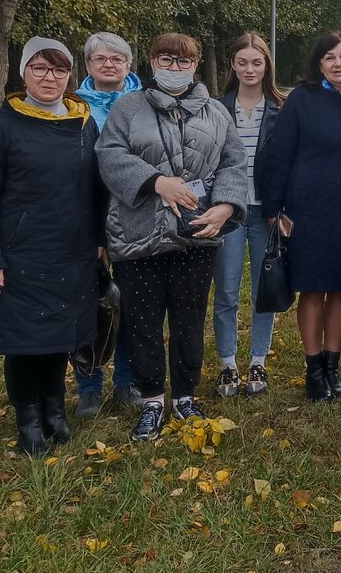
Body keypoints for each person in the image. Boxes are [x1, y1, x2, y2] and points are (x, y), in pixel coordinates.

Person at [96, 33, 248, 442]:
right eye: (167, 59)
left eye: (184, 62)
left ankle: (184, 396)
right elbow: (109, 156)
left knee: (189, 319)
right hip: (138, 234)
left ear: (196, 65)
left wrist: (227, 206)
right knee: (143, 321)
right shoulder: (128, 108)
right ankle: (151, 401)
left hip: (196, 237)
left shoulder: (216, 112)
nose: (175, 68)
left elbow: (234, 163)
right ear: (151, 61)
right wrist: (157, 181)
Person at [0, 38, 104, 456]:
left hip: (74, 251)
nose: (50, 78)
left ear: (69, 76)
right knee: (26, 340)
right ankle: (28, 419)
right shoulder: (1, 127)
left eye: (59, 70)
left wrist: (99, 238)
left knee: (61, 335)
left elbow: (97, 191)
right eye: (40, 69)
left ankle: (54, 410)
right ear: (23, 73)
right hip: (21, 252)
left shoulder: (84, 124)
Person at [263, 31, 341, 402]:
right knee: (314, 289)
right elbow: (279, 155)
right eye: (329, 57)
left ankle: (333, 366)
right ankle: (313, 369)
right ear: (320, 65)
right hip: (309, 209)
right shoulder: (302, 100)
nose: (338, 63)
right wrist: (273, 210)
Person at [71, 31, 143, 417]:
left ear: (129, 64)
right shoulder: (72, 109)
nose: (109, 64)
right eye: (100, 59)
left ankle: (127, 381)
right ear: (88, 66)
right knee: (91, 304)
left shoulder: (145, 104)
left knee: (131, 303)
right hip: (87, 221)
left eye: (117, 58)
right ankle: (89, 385)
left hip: (136, 217)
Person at [211, 33, 286, 398]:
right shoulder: (216, 108)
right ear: (234, 65)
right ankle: (228, 363)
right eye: (243, 62)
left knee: (263, 290)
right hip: (228, 212)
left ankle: (258, 358)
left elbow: (289, 164)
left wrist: (283, 207)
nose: (250, 68)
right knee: (225, 289)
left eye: (257, 62)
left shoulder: (281, 107)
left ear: (267, 66)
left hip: (266, 214)